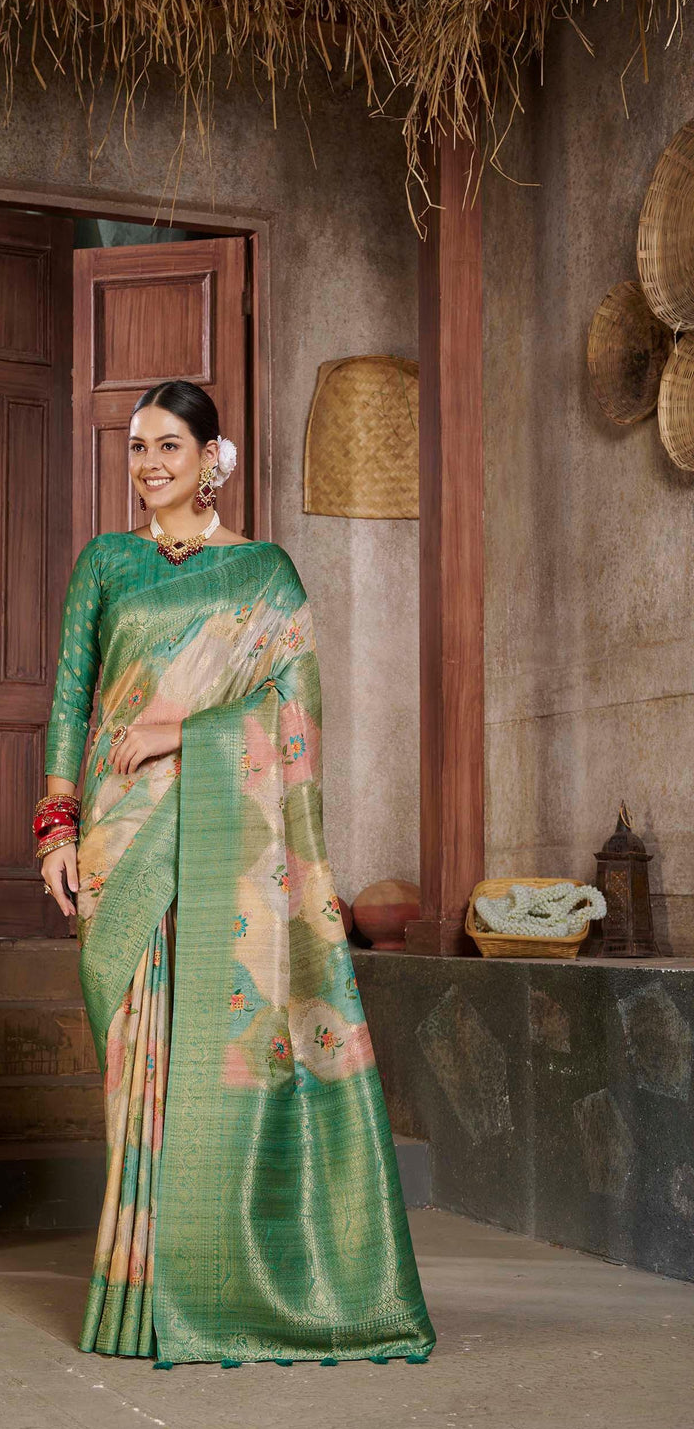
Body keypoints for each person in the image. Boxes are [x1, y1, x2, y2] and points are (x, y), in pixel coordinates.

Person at [36, 379, 436, 1367]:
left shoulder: (264, 574)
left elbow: (295, 713)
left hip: (227, 837)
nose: (149, 464)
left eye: (169, 445)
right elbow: (70, 698)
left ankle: (212, 1287)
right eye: (138, 447)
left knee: (220, 1047)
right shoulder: (106, 562)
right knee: (133, 1063)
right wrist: (55, 828)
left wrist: (186, 728)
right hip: (120, 835)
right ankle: (134, 1287)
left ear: (212, 458)